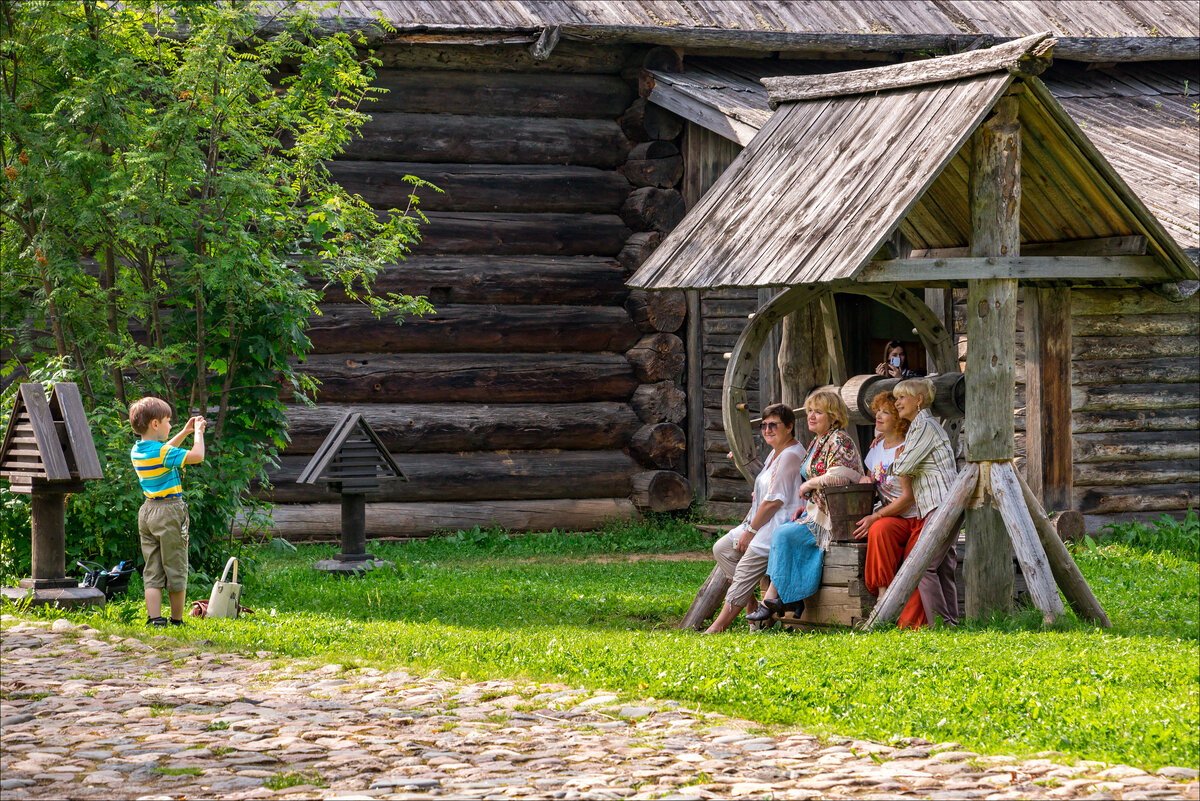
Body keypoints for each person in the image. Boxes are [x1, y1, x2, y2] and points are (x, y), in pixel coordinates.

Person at [750, 389, 864, 623]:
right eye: (810, 410)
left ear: (833, 416)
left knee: (783, 533)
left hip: (836, 515)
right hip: (817, 510)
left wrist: (809, 485)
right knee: (784, 531)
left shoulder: (839, 440)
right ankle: (789, 598)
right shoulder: (818, 441)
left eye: (818, 412)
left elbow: (842, 476)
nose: (811, 416)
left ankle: (773, 599)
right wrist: (808, 503)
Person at [705, 403, 807, 633]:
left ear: (789, 427)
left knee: (743, 570)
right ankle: (752, 609)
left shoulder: (790, 455)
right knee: (723, 549)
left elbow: (773, 502)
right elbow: (767, 487)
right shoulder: (775, 452)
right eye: (764, 425)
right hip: (763, 521)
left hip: (778, 525)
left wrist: (750, 531)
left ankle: (718, 627)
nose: (768, 430)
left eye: (774, 425)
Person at [882, 377, 960, 628]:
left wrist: (894, 460)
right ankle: (951, 624)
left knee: (925, 567)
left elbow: (904, 466)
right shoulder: (919, 428)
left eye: (902, 397)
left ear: (919, 400)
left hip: (940, 504)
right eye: (896, 398)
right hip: (944, 503)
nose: (897, 402)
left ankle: (941, 625)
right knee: (943, 566)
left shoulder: (925, 426)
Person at [129, 397, 206, 627]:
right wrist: (197, 433)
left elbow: (164, 451)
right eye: (167, 421)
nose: (170, 425)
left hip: (147, 512)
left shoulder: (137, 450)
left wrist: (184, 432)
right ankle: (176, 620)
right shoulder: (162, 452)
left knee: (152, 568)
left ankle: (155, 619)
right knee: (176, 565)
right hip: (169, 511)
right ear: (155, 424)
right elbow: (198, 456)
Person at [853, 392, 921, 609]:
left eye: (885, 412)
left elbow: (909, 498)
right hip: (893, 515)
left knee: (878, 525)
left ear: (899, 419)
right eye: (878, 411)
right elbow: (872, 481)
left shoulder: (907, 448)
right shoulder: (876, 448)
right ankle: (882, 597)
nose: (878, 416)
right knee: (879, 529)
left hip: (913, 516)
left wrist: (876, 516)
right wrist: (865, 480)